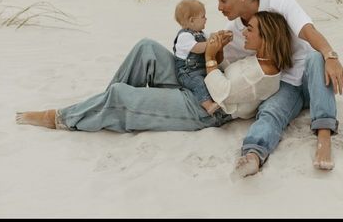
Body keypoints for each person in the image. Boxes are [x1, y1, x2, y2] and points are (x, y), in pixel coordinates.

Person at [15, 11, 293, 143]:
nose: (245, 32)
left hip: (205, 110)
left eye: (251, 30)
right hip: (202, 85)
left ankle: (60, 118)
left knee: (120, 95)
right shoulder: (258, 57)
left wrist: (209, 56)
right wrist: (217, 52)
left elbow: (221, 93)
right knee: (146, 47)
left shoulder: (262, 76)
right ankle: (102, 104)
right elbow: (221, 72)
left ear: (267, 38)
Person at [211, 0, 343, 177]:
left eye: (223, 0)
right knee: (270, 113)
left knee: (315, 57)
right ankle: (253, 154)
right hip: (285, 85)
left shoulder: (281, 3)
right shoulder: (233, 30)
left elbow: (308, 31)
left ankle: (324, 138)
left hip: (313, 77)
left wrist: (330, 55)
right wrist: (216, 49)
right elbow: (227, 62)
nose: (219, 7)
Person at [173, 0, 221, 115]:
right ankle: (208, 105)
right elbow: (198, 48)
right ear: (192, 20)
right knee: (198, 83)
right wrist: (211, 44)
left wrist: (218, 36)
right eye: (203, 16)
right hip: (187, 73)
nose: (206, 19)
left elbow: (210, 38)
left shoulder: (201, 33)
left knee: (215, 75)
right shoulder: (184, 36)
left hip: (200, 69)